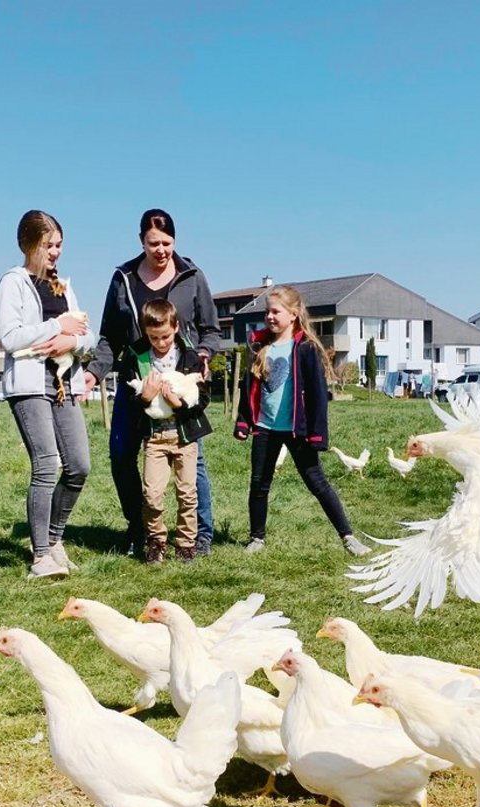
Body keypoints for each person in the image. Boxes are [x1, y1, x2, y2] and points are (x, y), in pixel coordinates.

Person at [84, 209, 220, 558]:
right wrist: (94, 372)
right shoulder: (123, 278)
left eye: (167, 243)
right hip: (138, 385)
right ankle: (141, 529)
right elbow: (109, 336)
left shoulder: (192, 275)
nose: (161, 250)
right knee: (120, 456)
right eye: (153, 243)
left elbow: (210, 329)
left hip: (180, 386)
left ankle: (200, 535)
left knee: (193, 463)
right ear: (141, 240)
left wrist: (202, 357)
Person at [0, 210, 96, 580]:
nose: (55, 252)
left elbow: (88, 335)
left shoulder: (63, 286)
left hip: (64, 383)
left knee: (79, 466)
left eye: (59, 245)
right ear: (29, 244)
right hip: (29, 385)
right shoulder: (13, 283)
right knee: (46, 464)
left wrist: (73, 340)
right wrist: (57, 326)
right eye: (48, 245)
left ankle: (54, 540)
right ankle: (40, 557)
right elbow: (10, 337)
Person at [233, 285, 370, 557]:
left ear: (293, 314)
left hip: (297, 430)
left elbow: (319, 394)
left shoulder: (305, 348)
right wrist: (243, 422)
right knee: (259, 484)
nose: (269, 317)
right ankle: (257, 538)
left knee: (317, 482)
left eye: (276, 311)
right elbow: (248, 386)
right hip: (265, 427)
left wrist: (318, 434)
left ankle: (348, 537)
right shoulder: (259, 345)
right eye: (267, 312)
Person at [121, 299, 211, 563]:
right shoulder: (137, 357)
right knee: (152, 493)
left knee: (187, 492)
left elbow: (202, 400)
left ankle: (186, 543)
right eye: (153, 337)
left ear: (176, 328)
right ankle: (156, 541)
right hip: (155, 438)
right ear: (145, 332)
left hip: (185, 438)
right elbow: (130, 401)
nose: (160, 343)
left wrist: (178, 404)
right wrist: (144, 398)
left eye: (165, 337)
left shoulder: (190, 357)